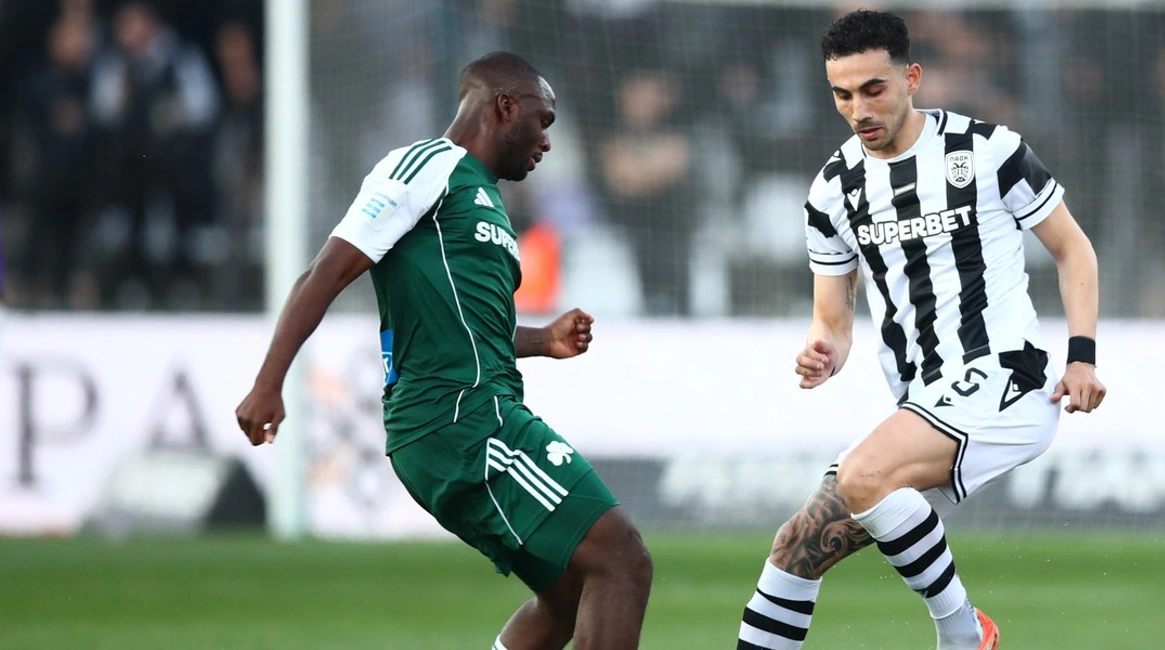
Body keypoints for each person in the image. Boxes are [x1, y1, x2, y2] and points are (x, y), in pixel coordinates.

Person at [235, 52, 652, 650]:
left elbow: (462, 329)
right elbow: (325, 271)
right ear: (505, 107)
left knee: (565, 598)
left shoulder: (486, 200)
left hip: (468, 417)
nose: (547, 141)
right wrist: (269, 381)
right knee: (623, 558)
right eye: (543, 121)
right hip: (460, 420)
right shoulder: (427, 166)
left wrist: (541, 340)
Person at [735, 11, 1105, 650]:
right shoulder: (833, 190)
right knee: (797, 546)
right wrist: (824, 351)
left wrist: (1082, 357)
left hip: (1007, 379)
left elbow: (1073, 249)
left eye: (873, 89)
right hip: (924, 399)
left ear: (911, 78)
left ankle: (963, 635)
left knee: (862, 475)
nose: (858, 109)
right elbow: (832, 319)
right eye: (842, 94)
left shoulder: (986, 151)